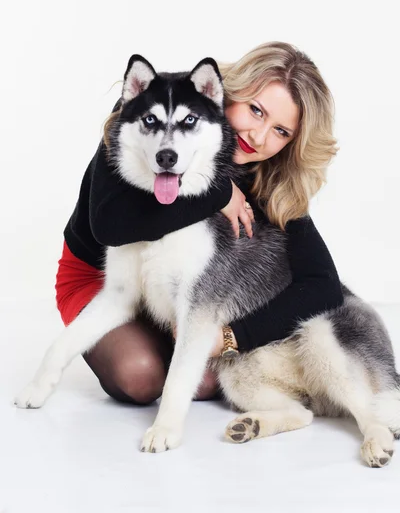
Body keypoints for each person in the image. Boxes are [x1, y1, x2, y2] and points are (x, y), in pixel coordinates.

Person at [55, 41, 343, 405]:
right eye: (256, 110)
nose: (259, 136)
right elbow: (109, 225)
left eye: (281, 132)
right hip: (100, 279)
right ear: (227, 93)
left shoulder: (269, 176)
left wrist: (230, 336)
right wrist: (219, 194)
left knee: (208, 382)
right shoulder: (154, 107)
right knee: (140, 374)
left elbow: (323, 285)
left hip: (172, 295)